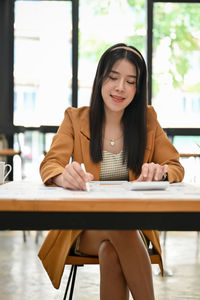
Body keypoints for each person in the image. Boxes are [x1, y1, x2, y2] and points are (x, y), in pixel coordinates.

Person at [38, 43, 184, 300]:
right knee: (121, 226)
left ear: (138, 89)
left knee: (111, 251)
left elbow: (175, 166)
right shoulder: (75, 118)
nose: (120, 88)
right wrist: (63, 176)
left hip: (132, 230)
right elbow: (51, 163)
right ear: (100, 79)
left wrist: (159, 172)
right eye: (113, 77)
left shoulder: (148, 119)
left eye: (130, 81)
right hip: (83, 228)